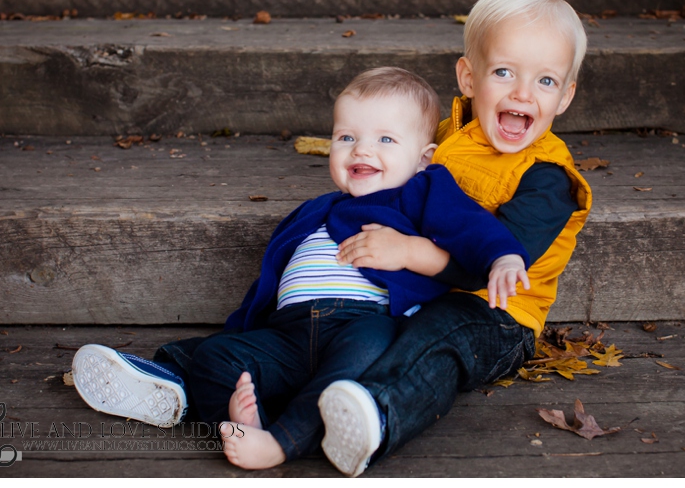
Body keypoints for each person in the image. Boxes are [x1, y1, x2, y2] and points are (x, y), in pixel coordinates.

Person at [71, 66, 531, 470]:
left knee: (359, 372)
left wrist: (503, 257)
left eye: (385, 139)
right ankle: (224, 412)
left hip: (362, 324)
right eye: (346, 137)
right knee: (217, 358)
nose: (361, 150)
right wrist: (240, 334)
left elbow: (468, 226)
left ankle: (279, 443)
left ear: (424, 157)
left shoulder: (421, 192)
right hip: (288, 335)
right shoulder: (313, 210)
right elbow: (266, 286)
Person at [317, 0, 593, 477]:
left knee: (440, 339)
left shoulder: (547, 178)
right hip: (421, 286)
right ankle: (303, 391)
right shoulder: (446, 134)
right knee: (358, 321)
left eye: (546, 81)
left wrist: (406, 250)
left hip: (496, 314)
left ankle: (377, 415)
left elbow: (483, 266)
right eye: (504, 72)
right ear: (469, 77)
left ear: (566, 96)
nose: (523, 93)